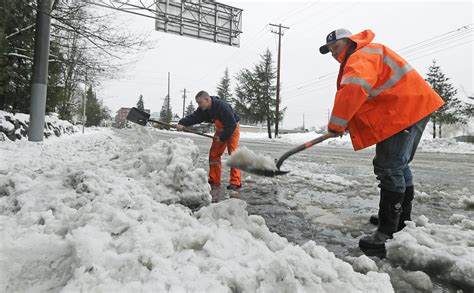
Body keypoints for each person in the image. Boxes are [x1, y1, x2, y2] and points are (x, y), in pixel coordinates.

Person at [319, 29, 445, 256]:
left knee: (389, 166)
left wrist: (337, 123)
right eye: (329, 50)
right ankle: (400, 218)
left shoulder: (360, 55)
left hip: (404, 111)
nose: (332, 53)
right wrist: (347, 122)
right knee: (397, 165)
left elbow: (355, 88)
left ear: (349, 41)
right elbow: (367, 95)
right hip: (406, 108)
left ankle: (387, 231)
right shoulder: (367, 53)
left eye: (335, 47)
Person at [177, 90, 241, 190]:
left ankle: (235, 181)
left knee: (233, 154)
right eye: (198, 103)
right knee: (214, 154)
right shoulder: (204, 109)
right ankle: (214, 179)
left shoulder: (222, 107)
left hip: (232, 129)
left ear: (207, 99)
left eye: (200, 102)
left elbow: (231, 124)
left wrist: (223, 137)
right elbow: (195, 117)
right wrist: (182, 123)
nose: (199, 105)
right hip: (220, 129)